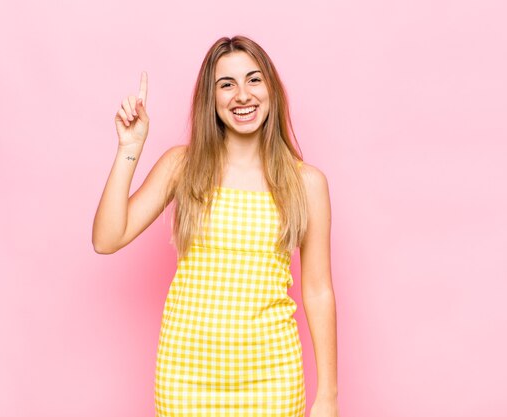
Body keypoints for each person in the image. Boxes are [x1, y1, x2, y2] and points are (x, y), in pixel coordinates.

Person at [92, 35, 339, 417]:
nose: (242, 95)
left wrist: (328, 395)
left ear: (271, 88)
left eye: (254, 80)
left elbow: (318, 289)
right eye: (227, 84)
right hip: (185, 378)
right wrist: (130, 146)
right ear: (212, 98)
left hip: (273, 379)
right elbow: (107, 239)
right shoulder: (182, 166)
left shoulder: (306, 183)